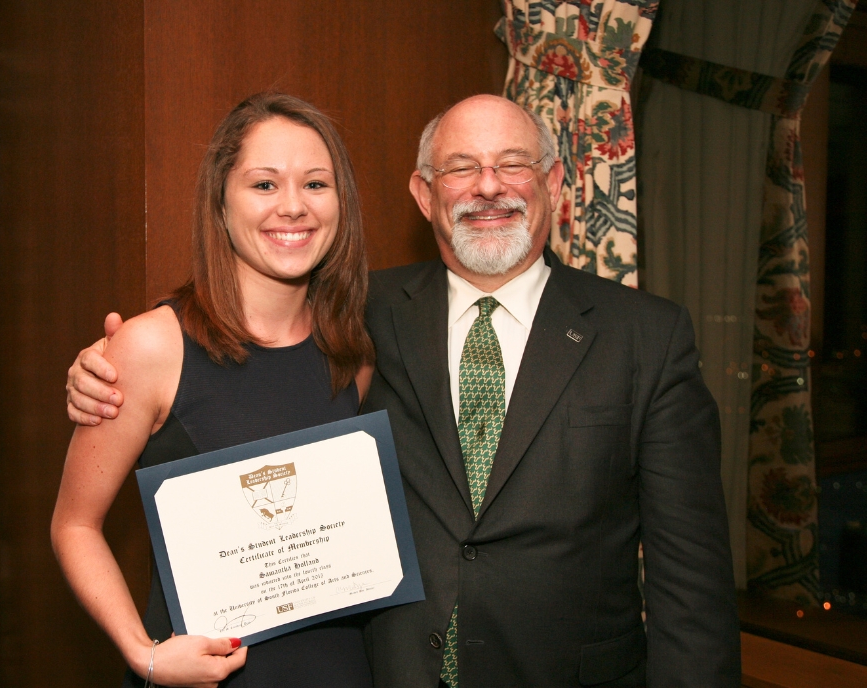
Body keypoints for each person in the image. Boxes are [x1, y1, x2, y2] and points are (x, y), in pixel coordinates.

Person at [67, 95, 742, 687]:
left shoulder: (647, 338)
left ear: (555, 182)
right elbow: (229, 346)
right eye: (460, 168)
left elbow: (693, 586)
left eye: (512, 163)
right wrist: (100, 369)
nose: (487, 187)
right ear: (423, 193)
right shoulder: (366, 318)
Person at [51, 92, 375, 688]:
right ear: (221, 202)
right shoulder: (150, 348)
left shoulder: (353, 353)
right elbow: (74, 525)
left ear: (342, 204)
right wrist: (141, 652)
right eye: (264, 185)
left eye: (316, 184)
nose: (294, 207)